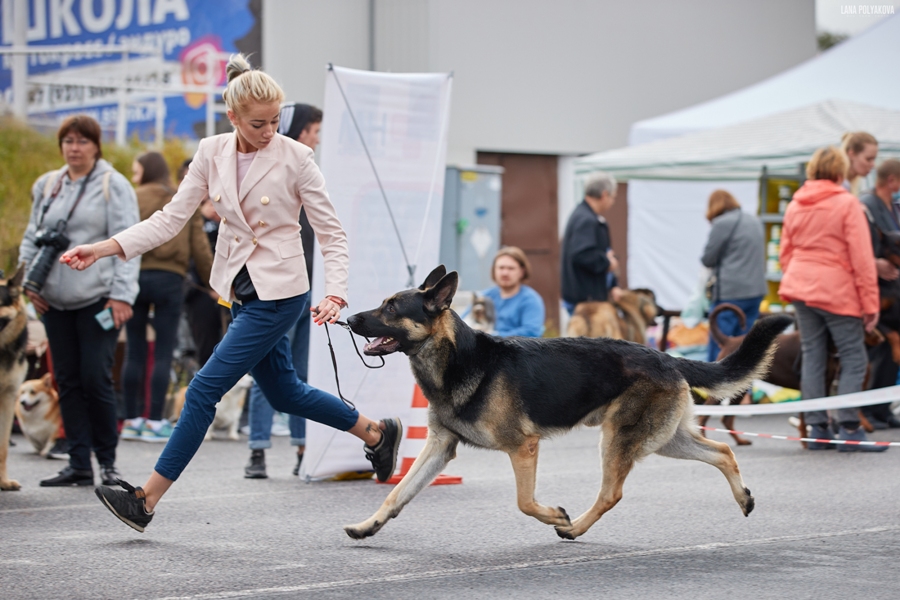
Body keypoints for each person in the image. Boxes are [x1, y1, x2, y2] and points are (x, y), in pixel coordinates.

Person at [62, 54, 403, 532]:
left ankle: (146, 500)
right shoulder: (211, 151)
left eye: (276, 121)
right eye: (258, 123)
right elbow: (170, 219)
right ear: (233, 117)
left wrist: (336, 293)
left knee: (203, 389)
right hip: (239, 291)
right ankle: (376, 431)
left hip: (280, 296)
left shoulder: (297, 158)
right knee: (285, 393)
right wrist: (104, 248)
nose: (269, 132)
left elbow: (332, 235)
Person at [19, 115, 140, 486]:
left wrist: (122, 295)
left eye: (82, 141)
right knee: (67, 380)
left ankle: (107, 461)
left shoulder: (112, 184)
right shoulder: (48, 185)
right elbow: (31, 237)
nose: (74, 148)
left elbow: (129, 242)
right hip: (53, 300)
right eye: (68, 141)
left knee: (95, 378)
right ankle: (78, 461)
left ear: (96, 145)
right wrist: (28, 287)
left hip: (97, 298)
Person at [779, 145, 886, 452]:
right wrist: (870, 304)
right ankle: (850, 429)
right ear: (840, 171)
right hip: (836, 289)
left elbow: (786, 253)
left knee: (813, 354)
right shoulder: (846, 203)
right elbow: (862, 259)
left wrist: (800, 277)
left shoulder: (796, 204)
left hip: (800, 287)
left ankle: (817, 429)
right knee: (854, 357)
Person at [244, 102, 324, 479]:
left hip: (307, 287)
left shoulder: (307, 168)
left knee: (300, 372)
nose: (318, 138)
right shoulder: (272, 169)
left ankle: (301, 447)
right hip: (272, 289)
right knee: (270, 371)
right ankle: (258, 449)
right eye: (314, 130)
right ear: (301, 130)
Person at [120, 152, 213, 443]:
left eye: (137, 171)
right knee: (162, 351)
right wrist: (214, 282)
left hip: (134, 277)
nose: (135, 177)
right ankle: (155, 421)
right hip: (170, 280)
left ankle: (131, 419)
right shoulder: (181, 198)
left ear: (147, 171)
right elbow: (200, 247)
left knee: (135, 351)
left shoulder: (131, 198)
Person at [700, 190, 766, 361]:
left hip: (730, 294)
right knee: (744, 346)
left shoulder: (722, 223)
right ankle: (743, 387)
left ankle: (713, 386)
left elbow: (708, 259)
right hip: (755, 293)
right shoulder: (754, 221)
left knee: (720, 345)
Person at [859, 158, 900, 428]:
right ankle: (868, 410)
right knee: (878, 350)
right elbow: (858, 247)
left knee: (891, 354)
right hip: (875, 292)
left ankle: (883, 409)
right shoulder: (866, 205)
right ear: (892, 180)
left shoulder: (893, 207)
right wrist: (875, 263)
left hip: (893, 291)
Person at [561, 172, 623, 316]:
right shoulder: (586, 220)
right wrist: (608, 262)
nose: (612, 202)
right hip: (586, 303)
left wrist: (613, 285)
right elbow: (582, 254)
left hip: (585, 298)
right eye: (613, 197)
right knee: (588, 339)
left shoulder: (583, 216)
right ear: (604, 195)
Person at [470, 246, 544, 337]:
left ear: (522, 272)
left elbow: (531, 333)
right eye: (501, 268)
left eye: (511, 268)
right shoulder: (484, 296)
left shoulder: (531, 300)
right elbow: (462, 321)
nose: (505, 273)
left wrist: (493, 336)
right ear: (494, 270)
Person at [841, 131, 878, 196]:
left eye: (874, 159)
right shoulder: (838, 184)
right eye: (868, 159)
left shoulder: (850, 183)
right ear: (851, 154)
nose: (873, 165)